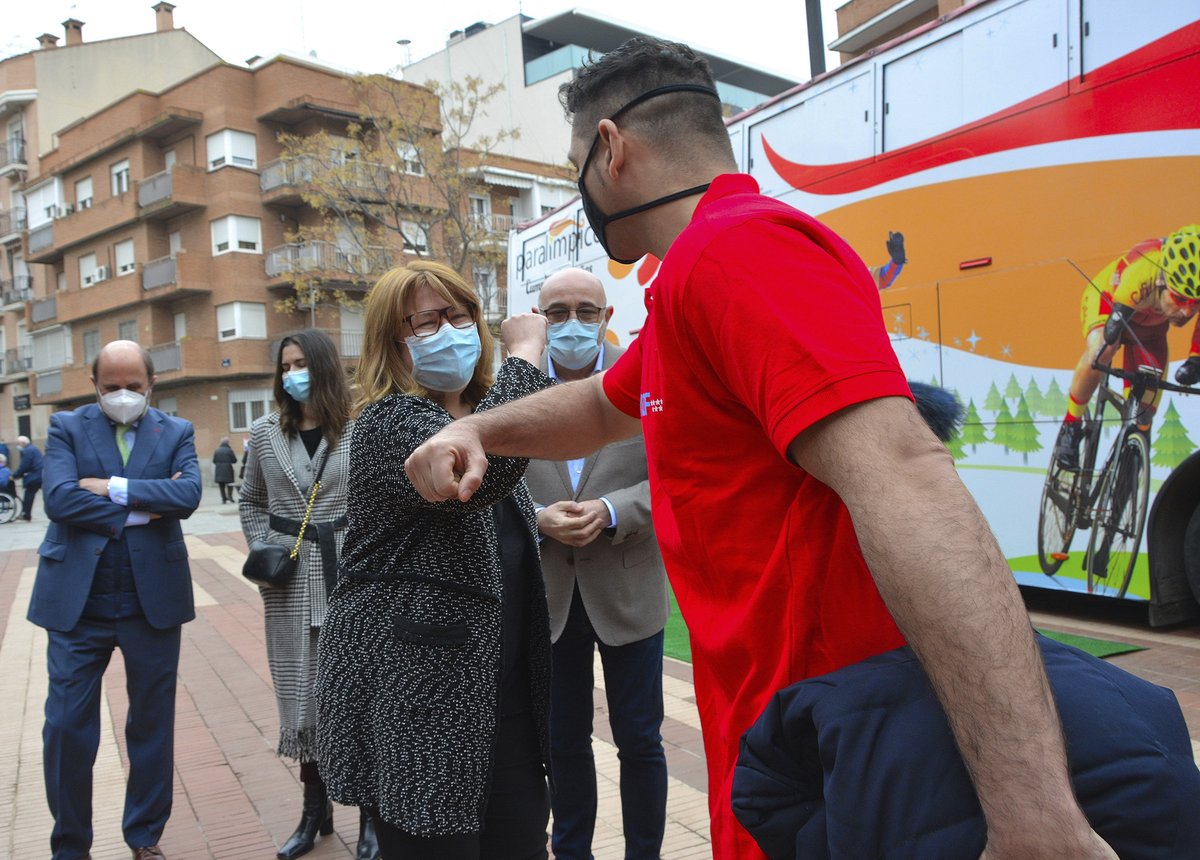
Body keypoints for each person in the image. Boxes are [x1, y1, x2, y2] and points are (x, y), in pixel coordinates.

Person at [403, 38, 1118, 860]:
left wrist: (1035, 817)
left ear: (611, 148)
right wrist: (474, 428)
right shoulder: (686, 284)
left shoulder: (741, 251)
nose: (580, 198)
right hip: (783, 754)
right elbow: (601, 408)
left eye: (576, 171)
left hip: (840, 760)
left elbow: (910, 476)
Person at [316, 261, 553, 860]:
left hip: (500, 693)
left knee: (522, 841)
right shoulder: (389, 422)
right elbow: (480, 473)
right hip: (424, 696)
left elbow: (479, 529)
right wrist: (524, 356)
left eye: (460, 315)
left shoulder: (470, 416)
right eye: (428, 321)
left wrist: (539, 524)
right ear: (391, 343)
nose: (452, 330)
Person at [26, 339, 202, 860]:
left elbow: (188, 495)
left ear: (151, 383)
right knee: (65, 727)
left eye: (133, 386)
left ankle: (144, 837)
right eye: (111, 387)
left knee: (151, 723)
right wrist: (147, 503)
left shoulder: (177, 431)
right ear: (93, 385)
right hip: (78, 604)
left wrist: (110, 488)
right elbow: (58, 498)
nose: (122, 395)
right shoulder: (66, 427)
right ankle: (70, 845)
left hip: (153, 603)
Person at [525, 268, 669, 860]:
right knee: (564, 742)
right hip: (549, 595)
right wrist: (537, 517)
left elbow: (672, 474)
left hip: (629, 591)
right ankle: (574, 852)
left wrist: (613, 509)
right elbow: (491, 485)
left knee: (640, 740)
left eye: (586, 310)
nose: (572, 323)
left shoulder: (646, 378)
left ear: (608, 318)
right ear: (539, 320)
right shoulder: (515, 388)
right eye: (556, 312)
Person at [238, 329, 372, 860]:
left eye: (302, 363)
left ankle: (370, 818)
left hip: (351, 577)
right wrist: (267, 549)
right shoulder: (266, 432)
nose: (293, 373)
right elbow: (251, 500)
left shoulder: (360, 425)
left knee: (359, 699)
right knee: (302, 702)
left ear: (323, 366)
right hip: (289, 585)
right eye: (286, 364)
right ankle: (314, 812)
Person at [1054, 225, 1200, 469]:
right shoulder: (1144, 268)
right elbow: (1115, 327)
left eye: (1196, 304)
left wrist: (1194, 361)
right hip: (1110, 303)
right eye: (1180, 299)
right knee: (1102, 350)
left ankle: (1129, 469)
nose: (1187, 312)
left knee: (1144, 417)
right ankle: (1070, 424)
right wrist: (1108, 342)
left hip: (1151, 329)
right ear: (1164, 280)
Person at [13, 433, 44, 520]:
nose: (18, 446)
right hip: (39, 474)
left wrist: (16, 475)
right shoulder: (33, 449)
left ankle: (26, 514)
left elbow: (24, 465)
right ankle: (26, 514)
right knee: (34, 493)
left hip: (35, 476)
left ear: (23, 443)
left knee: (29, 494)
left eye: (18, 443)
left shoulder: (27, 451)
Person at [213, 436, 238, 504]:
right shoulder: (229, 450)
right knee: (230, 484)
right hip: (228, 469)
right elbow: (234, 460)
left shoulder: (217, 450)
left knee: (221, 485)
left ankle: (223, 499)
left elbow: (214, 461)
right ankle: (230, 497)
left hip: (219, 469)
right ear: (228, 443)